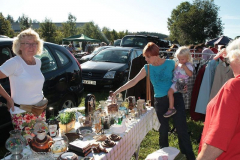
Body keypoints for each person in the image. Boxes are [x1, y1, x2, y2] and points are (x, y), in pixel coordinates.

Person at [112, 42, 195, 160]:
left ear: (155, 55)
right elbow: (133, 81)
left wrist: (183, 88)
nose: (145, 59)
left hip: (175, 98)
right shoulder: (147, 68)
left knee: (182, 130)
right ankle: (163, 157)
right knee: (163, 130)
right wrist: (117, 91)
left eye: (147, 57)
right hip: (160, 101)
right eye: (145, 57)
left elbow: (181, 77)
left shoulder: (171, 63)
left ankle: (189, 157)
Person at [197, 38, 240, 160]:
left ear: (236, 57)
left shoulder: (235, 86)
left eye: (228, 59)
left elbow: (217, 140)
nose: (228, 63)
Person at [0, 28, 46, 139]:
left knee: (41, 142)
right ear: (20, 46)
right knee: (27, 147)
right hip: (22, 113)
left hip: (40, 110)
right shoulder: (15, 63)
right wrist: (8, 99)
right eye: (27, 43)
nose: (31, 46)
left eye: (34, 43)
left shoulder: (37, 62)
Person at [163, 47, 193, 118]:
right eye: (179, 59)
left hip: (181, 83)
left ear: (187, 58)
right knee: (172, 94)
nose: (180, 61)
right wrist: (176, 65)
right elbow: (173, 70)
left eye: (182, 59)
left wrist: (185, 67)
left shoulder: (188, 65)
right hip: (176, 82)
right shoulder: (178, 63)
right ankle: (172, 107)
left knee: (170, 92)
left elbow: (190, 74)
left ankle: (171, 108)